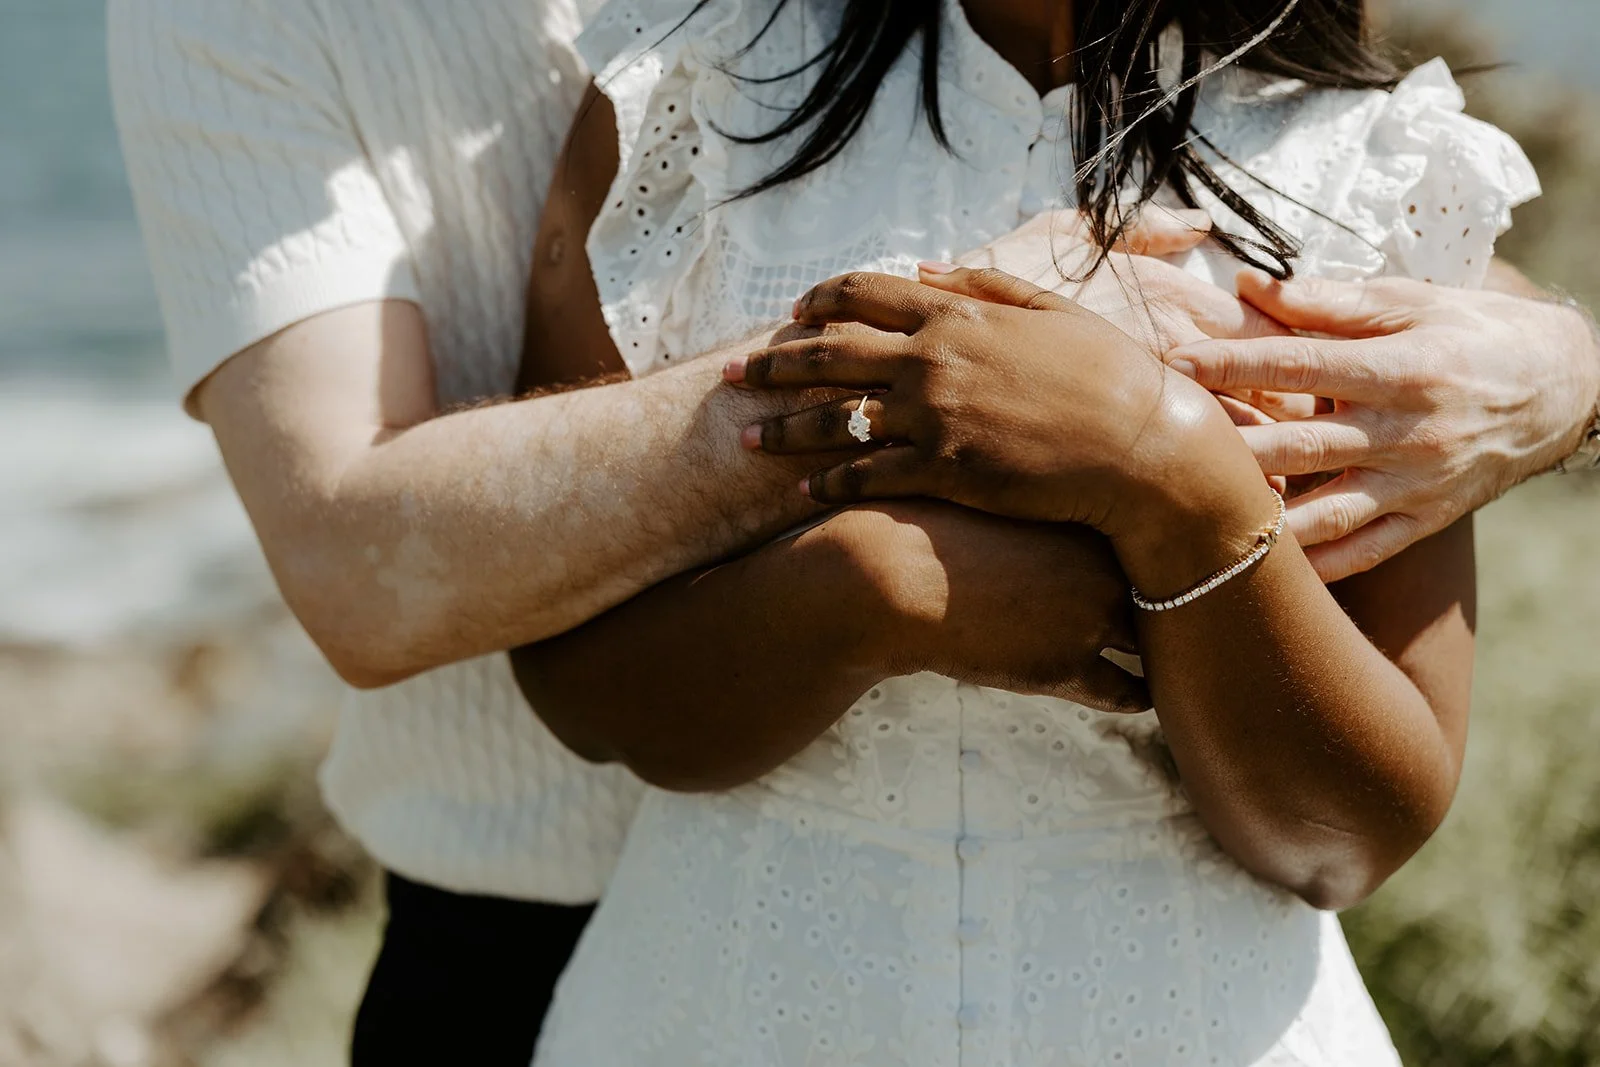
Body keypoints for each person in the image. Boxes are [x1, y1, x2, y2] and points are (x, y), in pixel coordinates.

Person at [105, 2, 1273, 1061]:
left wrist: (1461, 332)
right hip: (510, 955)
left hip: (1044, 938)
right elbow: (357, 570)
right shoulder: (230, 18)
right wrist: (942, 349)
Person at [505, 0, 1555, 1062]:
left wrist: (1168, 476)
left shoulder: (1373, 165)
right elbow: (570, 681)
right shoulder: (691, 85)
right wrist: (874, 589)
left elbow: (1349, 838)